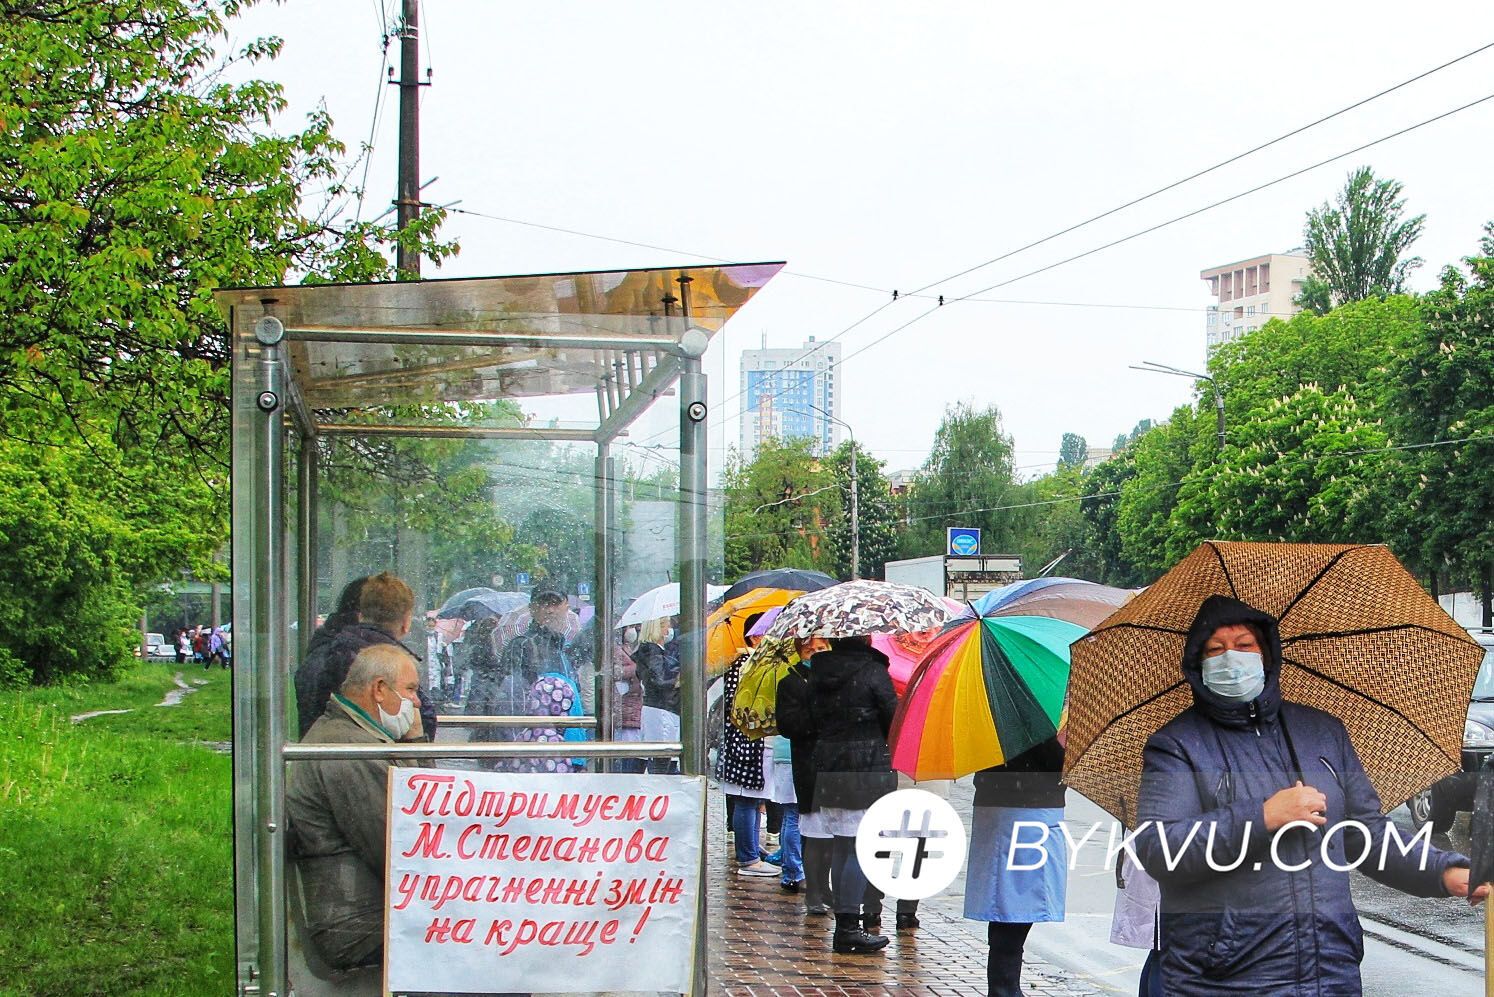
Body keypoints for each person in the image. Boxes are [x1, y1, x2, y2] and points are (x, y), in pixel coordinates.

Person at [1136, 594, 1487, 995]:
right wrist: (1263, 816)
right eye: (1215, 649)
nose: (1231, 658)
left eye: (1245, 645)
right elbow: (1159, 849)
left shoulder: (1322, 733)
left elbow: (1365, 834)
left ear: (1267, 655)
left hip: (1328, 972)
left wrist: (1445, 872)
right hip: (1225, 979)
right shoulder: (1176, 746)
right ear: (1198, 666)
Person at [286, 643, 423, 970]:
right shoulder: (351, 751)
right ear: (379, 689)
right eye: (411, 690)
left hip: (359, 911)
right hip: (356, 925)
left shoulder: (350, 734)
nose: (416, 702)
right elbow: (402, 850)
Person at [806, 635, 897, 955]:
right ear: (866, 638)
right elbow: (892, 720)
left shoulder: (816, 672)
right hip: (866, 769)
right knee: (859, 847)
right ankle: (848, 927)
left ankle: (846, 924)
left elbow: (812, 718)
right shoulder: (873, 672)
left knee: (844, 845)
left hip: (829, 765)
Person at [965, 737, 1068, 997]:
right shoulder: (1035, 714)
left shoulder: (994, 708)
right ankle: (1004, 987)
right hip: (1027, 810)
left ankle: (1005, 985)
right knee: (1013, 909)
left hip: (1006, 804)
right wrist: (1064, 746)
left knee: (1006, 907)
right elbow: (1056, 763)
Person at [293, 572, 437, 741]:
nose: (415, 701)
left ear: (361, 616)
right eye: (410, 689)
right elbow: (423, 720)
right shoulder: (388, 666)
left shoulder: (330, 651)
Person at [776, 635, 832, 917]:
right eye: (811, 650)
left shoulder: (835, 680)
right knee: (812, 830)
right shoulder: (790, 683)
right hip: (808, 765)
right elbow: (787, 724)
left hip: (834, 764)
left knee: (834, 830)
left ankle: (826, 884)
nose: (817, 654)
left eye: (822, 649)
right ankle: (814, 890)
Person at [716, 640, 777, 877]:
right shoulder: (743, 665)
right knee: (746, 799)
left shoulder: (758, 664)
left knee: (753, 800)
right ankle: (748, 856)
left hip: (756, 742)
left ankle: (752, 849)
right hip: (747, 744)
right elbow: (737, 704)